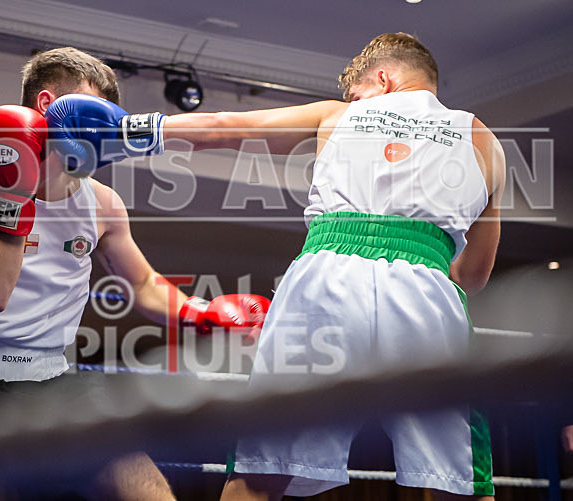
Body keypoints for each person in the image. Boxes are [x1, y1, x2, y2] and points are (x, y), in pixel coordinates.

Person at [50, 32, 505, 500]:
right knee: (460, 481)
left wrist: (130, 132)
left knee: (261, 471)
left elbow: (229, 126)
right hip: (426, 291)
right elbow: (472, 277)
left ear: (383, 79)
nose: (353, 100)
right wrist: (414, 264)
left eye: (357, 91)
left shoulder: (341, 113)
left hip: (326, 280)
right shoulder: (483, 138)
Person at [0, 46, 270, 500]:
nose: (100, 133)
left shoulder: (103, 203)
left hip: (53, 384)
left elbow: (142, 285)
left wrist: (203, 313)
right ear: (46, 107)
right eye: (89, 114)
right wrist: (14, 192)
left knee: (143, 485)